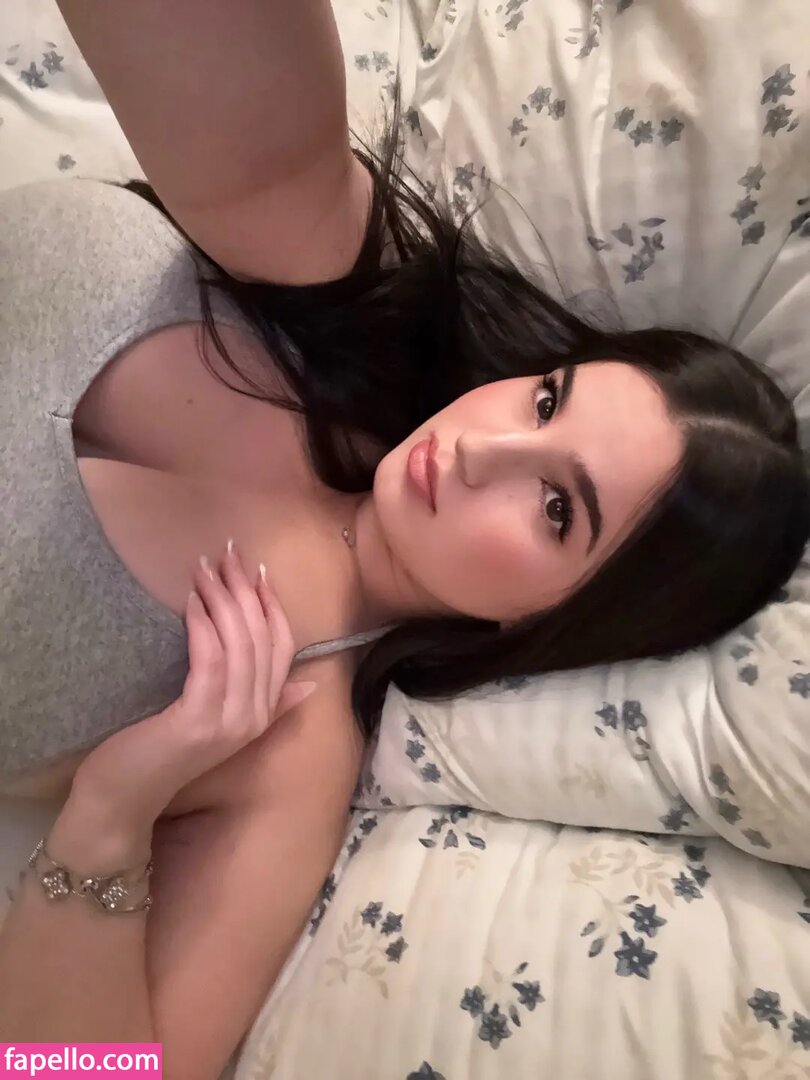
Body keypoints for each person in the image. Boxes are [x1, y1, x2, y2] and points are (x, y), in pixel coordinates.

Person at [0, 3, 807, 1078]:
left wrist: (109, 814)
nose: (481, 450)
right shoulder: (329, 288)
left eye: (557, 510)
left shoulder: (288, 749)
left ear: (559, 619)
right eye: (545, 399)